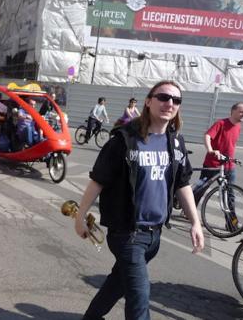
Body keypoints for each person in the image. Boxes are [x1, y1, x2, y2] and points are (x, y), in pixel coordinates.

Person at [75, 80, 204, 320]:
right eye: (163, 97)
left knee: (118, 282)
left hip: (154, 235)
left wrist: (196, 223)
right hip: (127, 234)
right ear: (148, 101)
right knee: (139, 298)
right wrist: (80, 216)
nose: (170, 103)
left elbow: (182, 183)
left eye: (176, 100)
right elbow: (98, 180)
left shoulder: (175, 142)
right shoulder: (125, 140)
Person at [192, 103, 243, 227]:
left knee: (230, 194)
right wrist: (210, 150)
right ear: (232, 111)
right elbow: (207, 135)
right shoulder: (221, 123)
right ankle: (188, 210)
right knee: (201, 189)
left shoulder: (238, 126)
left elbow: (230, 144)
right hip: (212, 164)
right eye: (241, 111)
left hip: (228, 166)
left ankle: (231, 224)